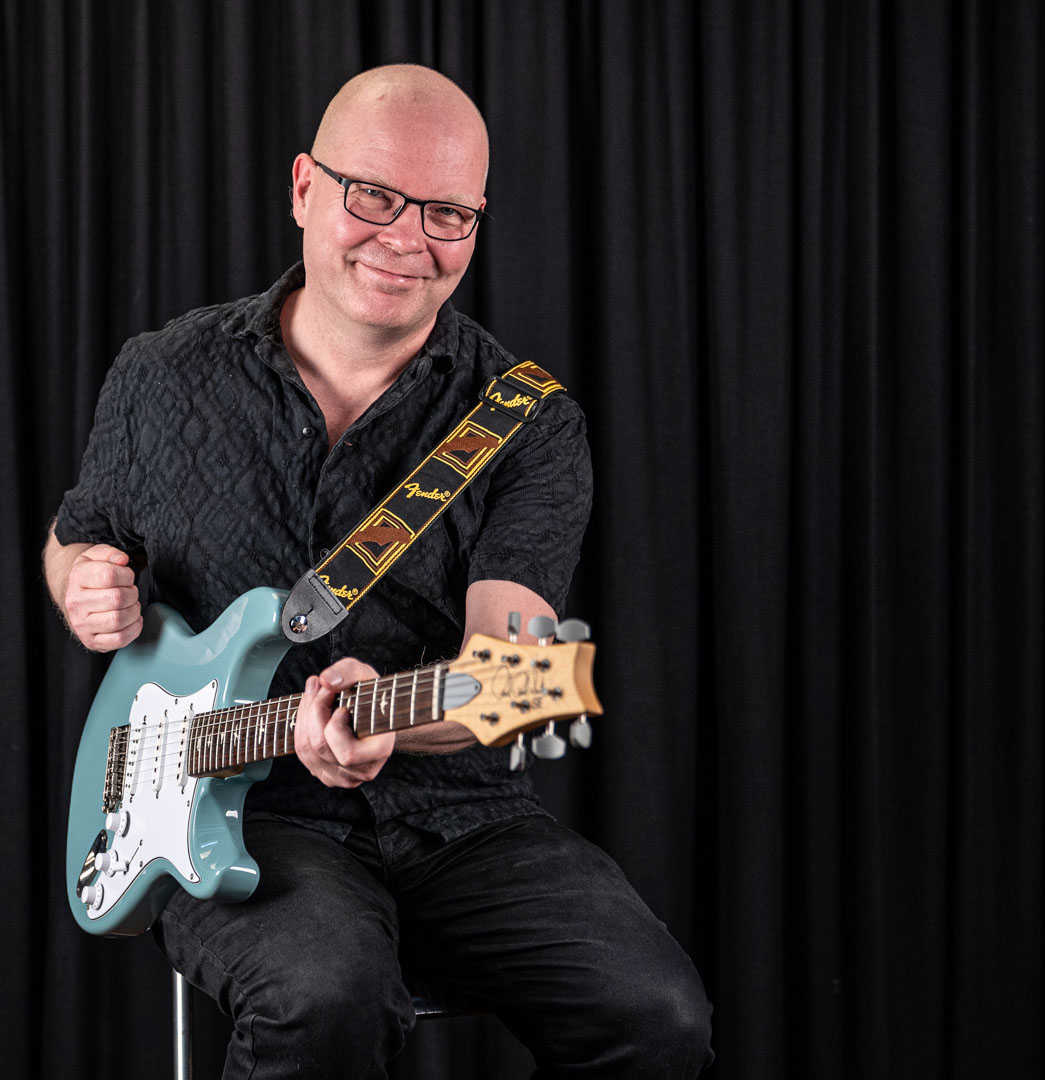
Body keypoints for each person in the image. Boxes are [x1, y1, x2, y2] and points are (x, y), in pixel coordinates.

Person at [44, 64, 714, 1078]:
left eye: (449, 213)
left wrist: (395, 720)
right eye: (374, 196)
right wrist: (78, 583)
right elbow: (77, 535)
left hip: (457, 817)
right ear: (304, 188)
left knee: (657, 1014)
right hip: (228, 809)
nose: (407, 239)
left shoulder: (525, 422)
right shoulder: (162, 374)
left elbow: (511, 674)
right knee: (324, 994)